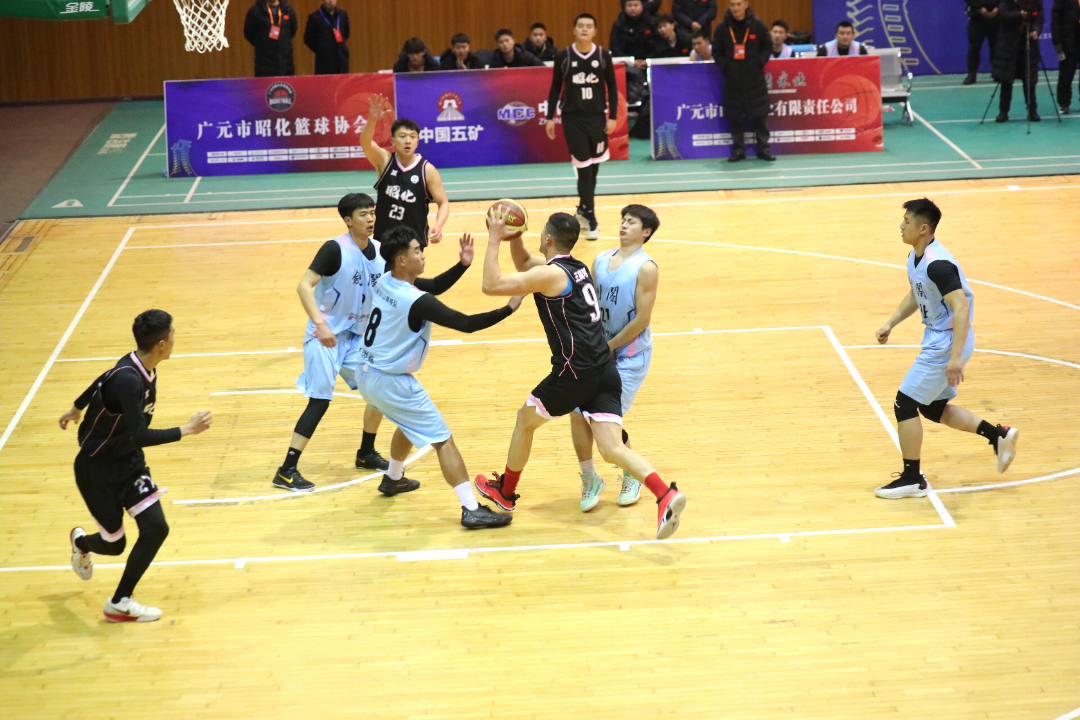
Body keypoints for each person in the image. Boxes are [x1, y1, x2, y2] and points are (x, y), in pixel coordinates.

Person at [475, 208, 687, 540]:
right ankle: (665, 494)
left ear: (547, 238)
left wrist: (493, 238)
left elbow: (491, 284)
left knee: (524, 420)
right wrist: (514, 237)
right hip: (604, 368)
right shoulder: (577, 268)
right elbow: (526, 264)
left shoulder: (551, 275)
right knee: (612, 448)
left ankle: (505, 491)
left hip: (575, 372)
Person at [356, 226, 520, 528]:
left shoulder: (385, 279)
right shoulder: (415, 301)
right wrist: (509, 308)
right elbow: (466, 324)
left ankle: (393, 478)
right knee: (443, 440)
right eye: (418, 251)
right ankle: (471, 509)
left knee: (408, 422)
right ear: (402, 260)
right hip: (391, 381)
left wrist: (462, 265)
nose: (423, 255)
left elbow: (432, 286)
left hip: (366, 372)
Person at [61, 310, 213, 623]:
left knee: (157, 529)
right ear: (161, 344)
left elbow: (100, 380)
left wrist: (77, 406)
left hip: (129, 464)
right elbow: (141, 435)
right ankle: (81, 542)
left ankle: (119, 602)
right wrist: (186, 429)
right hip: (96, 470)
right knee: (114, 545)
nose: (175, 339)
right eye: (172, 334)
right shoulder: (129, 379)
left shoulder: (140, 365)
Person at [874, 198, 1019, 499]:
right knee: (931, 408)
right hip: (940, 338)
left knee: (904, 404)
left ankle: (912, 479)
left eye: (907, 221)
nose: (901, 226)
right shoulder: (917, 257)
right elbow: (918, 293)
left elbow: (961, 307)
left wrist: (955, 357)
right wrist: (891, 323)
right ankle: (998, 435)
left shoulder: (938, 264)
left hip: (948, 340)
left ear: (923, 228)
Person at [274, 193, 391, 493]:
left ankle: (366, 453)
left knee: (379, 388)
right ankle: (286, 471)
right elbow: (303, 286)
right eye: (364, 214)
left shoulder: (380, 251)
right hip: (324, 337)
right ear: (348, 221)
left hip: (357, 337)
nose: (371, 219)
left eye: (372, 212)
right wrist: (320, 324)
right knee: (320, 400)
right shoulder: (334, 249)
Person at [573, 205, 660, 512]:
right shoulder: (600, 259)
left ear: (645, 232)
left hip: (628, 356)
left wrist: (607, 346)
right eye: (623, 220)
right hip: (599, 350)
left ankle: (631, 475)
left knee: (603, 419)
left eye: (631, 222)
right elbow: (589, 307)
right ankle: (589, 478)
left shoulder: (646, 268)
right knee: (577, 411)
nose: (623, 225)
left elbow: (642, 320)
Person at [546, 14, 620, 242]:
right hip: (573, 119)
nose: (585, 29)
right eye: (581, 26)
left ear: (595, 31)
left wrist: (612, 117)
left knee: (594, 169)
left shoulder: (603, 55)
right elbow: (555, 87)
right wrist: (549, 117)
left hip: (597, 119)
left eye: (589, 26)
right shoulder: (564, 56)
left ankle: (583, 209)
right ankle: (591, 216)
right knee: (585, 169)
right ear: (574, 30)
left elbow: (613, 88)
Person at [360, 96, 451, 246]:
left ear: (417, 142)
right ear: (393, 141)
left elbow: (443, 203)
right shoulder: (384, 160)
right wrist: (372, 120)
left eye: (412, 137)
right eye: (402, 136)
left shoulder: (427, 170)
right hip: (384, 238)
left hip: (414, 241)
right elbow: (365, 143)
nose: (407, 140)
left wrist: (438, 225)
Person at [713, 0, 775, 162]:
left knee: (759, 115)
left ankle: (764, 149)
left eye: (739, 4)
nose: (736, 8)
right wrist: (726, 66)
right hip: (732, 79)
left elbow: (768, 46)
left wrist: (759, 62)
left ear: (746, 4)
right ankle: (738, 150)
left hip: (755, 79)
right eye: (732, 5)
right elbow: (716, 51)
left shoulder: (758, 25)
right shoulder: (722, 28)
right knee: (735, 117)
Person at [992, 0, 1045, 122]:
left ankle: (1032, 111)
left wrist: (1036, 31)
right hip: (1009, 44)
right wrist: (1019, 14)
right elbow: (1003, 14)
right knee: (1006, 80)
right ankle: (1003, 112)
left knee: (1029, 80)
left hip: (1028, 44)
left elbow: (1039, 17)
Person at [243, 0, 298, 77]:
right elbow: (248, 33)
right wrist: (262, 44)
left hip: (286, 64)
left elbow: (293, 29)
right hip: (264, 65)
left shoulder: (287, 9)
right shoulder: (255, 11)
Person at [303, 0, 349, 75]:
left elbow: (346, 33)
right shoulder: (315, 17)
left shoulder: (342, 15)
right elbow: (308, 39)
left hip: (341, 60)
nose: (331, 1)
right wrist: (321, 49)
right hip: (324, 61)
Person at [610, 0, 657, 70]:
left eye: (636, 5)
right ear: (624, 7)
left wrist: (647, 61)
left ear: (642, 6)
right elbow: (614, 46)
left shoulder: (652, 22)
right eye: (629, 6)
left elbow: (658, 44)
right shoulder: (618, 24)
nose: (632, 8)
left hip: (650, 62)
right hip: (626, 65)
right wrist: (630, 61)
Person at [1051, 0, 1080, 113]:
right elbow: (1056, 17)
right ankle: (1064, 103)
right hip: (1068, 39)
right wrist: (1057, 40)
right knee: (1066, 72)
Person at [964, 0, 1000, 84]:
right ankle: (972, 74)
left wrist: (998, 8)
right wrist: (979, 8)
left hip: (997, 17)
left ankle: (997, 73)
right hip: (976, 16)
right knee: (974, 48)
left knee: (997, 46)